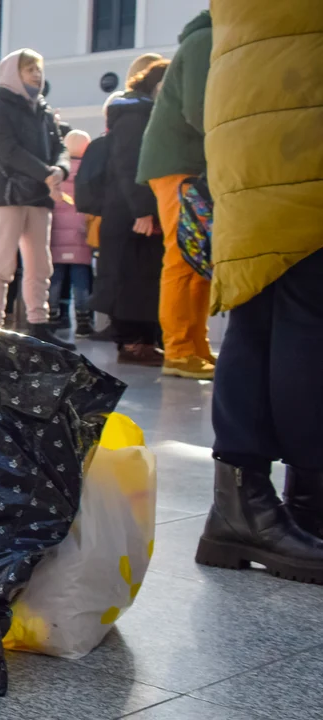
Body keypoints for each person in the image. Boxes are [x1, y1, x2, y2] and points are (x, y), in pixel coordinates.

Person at [195, 0, 323, 583]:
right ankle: (303, 502)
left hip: (249, 118)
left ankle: (242, 506)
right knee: (305, 309)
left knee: (262, 301)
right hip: (302, 106)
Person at [136, 11, 214, 380]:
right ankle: (180, 350)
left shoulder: (206, 39)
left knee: (197, 257)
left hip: (186, 162)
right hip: (178, 163)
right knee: (184, 255)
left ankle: (194, 346)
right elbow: (201, 110)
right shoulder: (204, 41)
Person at [0, 48, 73, 350]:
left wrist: (59, 169)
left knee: (40, 265)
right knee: (2, 264)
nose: (36, 73)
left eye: (38, 68)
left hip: (38, 196)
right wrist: (47, 172)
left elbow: (60, 146)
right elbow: (7, 150)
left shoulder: (44, 110)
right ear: (13, 73)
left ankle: (38, 324)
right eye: (28, 68)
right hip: (7, 196)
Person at [91, 60, 170, 366]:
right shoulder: (136, 115)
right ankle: (134, 344)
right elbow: (128, 165)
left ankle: (143, 342)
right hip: (130, 213)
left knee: (141, 277)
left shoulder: (136, 111)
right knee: (132, 279)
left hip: (131, 211)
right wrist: (142, 209)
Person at [48, 130, 93, 338]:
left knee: (55, 276)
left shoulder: (58, 172)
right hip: (80, 233)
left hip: (56, 232)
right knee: (81, 277)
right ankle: (83, 320)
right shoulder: (87, 170)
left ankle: (51, 316)